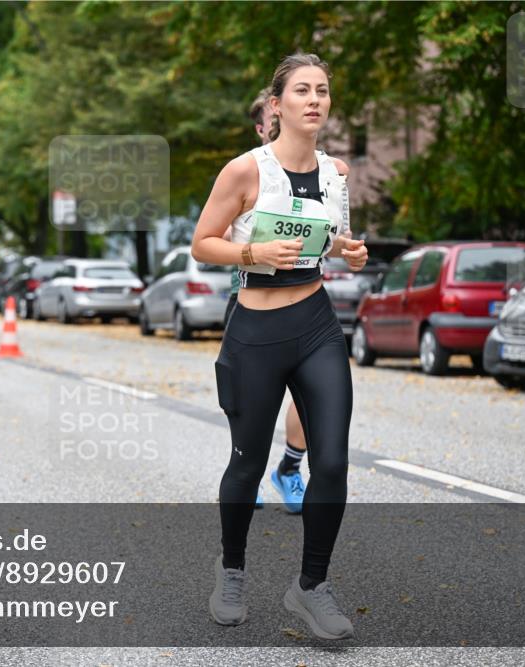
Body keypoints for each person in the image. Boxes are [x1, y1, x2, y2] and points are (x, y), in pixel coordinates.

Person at [191, 53, 367, 638]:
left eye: (322, 91)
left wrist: (350, 251)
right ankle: (233, 569)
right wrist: (253, 254)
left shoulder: (337, 173)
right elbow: (202, 244)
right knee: (247, 462)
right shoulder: (244, 171)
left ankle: (311, 586)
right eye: (301, 91)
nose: (314, 100)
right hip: (256, 331)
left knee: (333, 460)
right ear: (277, 105)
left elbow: (330, 239)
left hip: (316, 324)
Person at [223, 88, 312, 513]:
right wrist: (253, 244)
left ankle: (290, 469)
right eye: (272, 123)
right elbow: (213, 237)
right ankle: (249, 470)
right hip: (253, 302)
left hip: (308, 306)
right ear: (262, 128)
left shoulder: (320, 171)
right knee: (251, 401)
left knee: (313, 394)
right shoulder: (245, 172)